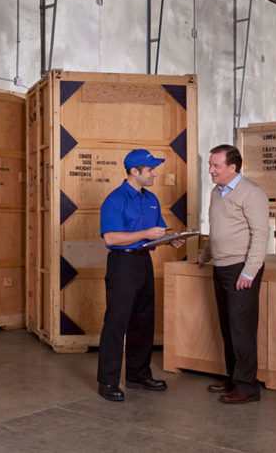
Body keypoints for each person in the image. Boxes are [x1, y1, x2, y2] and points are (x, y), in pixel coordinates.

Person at [96, 149, 183, 401]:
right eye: (150, 170)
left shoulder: (152, 198)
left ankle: (138, 374)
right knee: (116, 323)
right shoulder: (115, 199)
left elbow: (157, 231)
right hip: (122, 265)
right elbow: (111, 237)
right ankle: (108, 381)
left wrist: (171, 239)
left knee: (143, 322)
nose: (155, 173)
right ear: (135, 172)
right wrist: (147, 234)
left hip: (144, 263)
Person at [195, 144, 269, 404]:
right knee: (228, 327)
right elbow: (216, 231)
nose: (211, 170)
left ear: (232, 167)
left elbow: (261, 235)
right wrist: (204, 257)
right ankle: (233, 378)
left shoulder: (252, 193)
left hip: (241, 269)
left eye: (216, 165)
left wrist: (249, 272)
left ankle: (247, 387)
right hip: (221, 267)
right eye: (210, 165)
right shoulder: (217, 192)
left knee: (242, 330)